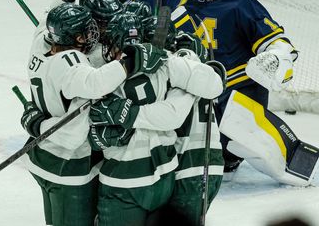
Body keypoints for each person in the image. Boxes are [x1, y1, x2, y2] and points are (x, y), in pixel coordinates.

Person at [172, 0, 319, 186]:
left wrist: (275, 55)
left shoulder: (239, 2)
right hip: (198, 85)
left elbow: (276, 40)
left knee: (243, 148)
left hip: (237, 89)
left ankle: (287, 162)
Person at [21, 0, 168, 226]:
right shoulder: (73, 66)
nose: (94, 36)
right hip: (67, 165)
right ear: (75, 37)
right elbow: (97, 83)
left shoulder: (40, 44)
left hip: (39, 157)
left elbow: (45, 20)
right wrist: (131, 62)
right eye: (86, 32)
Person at [88, 12, 226, 226]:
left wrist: (127, 115)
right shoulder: (184, 68)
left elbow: (171, 115)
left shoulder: (171, 69)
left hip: (190, 165)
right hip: (178, 167)